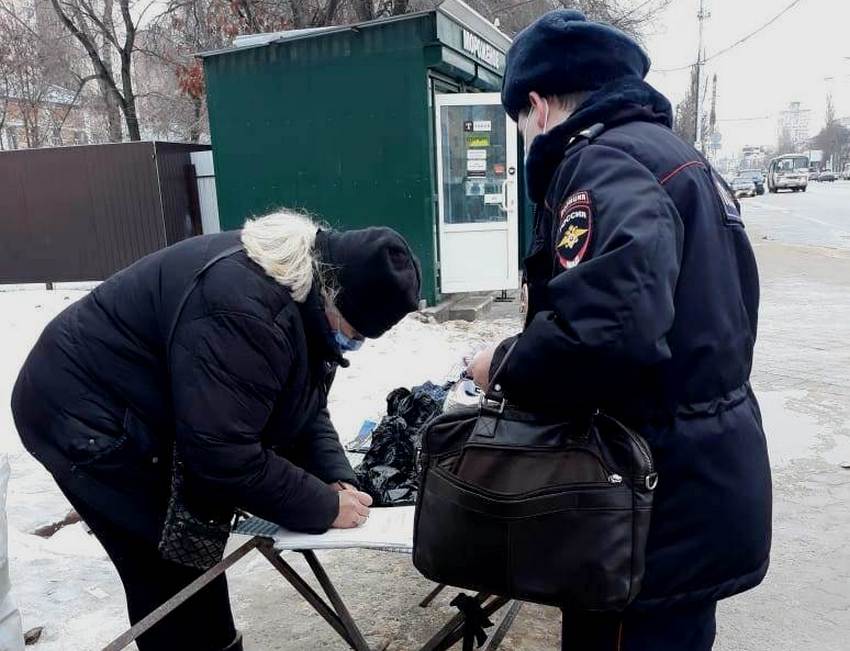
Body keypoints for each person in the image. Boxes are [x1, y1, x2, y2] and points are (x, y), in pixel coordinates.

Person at [467, 10, 772, 651]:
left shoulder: (604, 165)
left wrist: (503, 363)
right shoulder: (679, 160)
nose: (525, 137)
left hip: (646, 501)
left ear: (539, 104)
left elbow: (607, 331)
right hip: (695, 479)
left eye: (518, 122)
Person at [12, 212, 421, 651]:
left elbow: (303, 402)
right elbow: (221, 456)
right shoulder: (244, 310)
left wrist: (334, 475)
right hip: (82, 410)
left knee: (191, 552)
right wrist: (323, 505)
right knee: (165, 559)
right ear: (332, 295)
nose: (352, 344)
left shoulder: (305, 290)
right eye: (354, 332)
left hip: (145, 404)